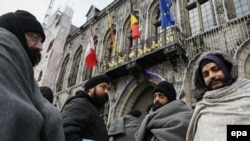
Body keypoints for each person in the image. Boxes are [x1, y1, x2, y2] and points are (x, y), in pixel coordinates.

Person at [0, 10, 64, 141]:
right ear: (16, 31)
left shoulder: (22, 68)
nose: (40, 47)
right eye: (34, 36)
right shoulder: (3, 50)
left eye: (41, 41)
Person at [186, 50, 250, 141]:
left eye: (215, 69)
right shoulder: (202, 107)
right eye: (206, 74)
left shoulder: (247, 90)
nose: (211, 76)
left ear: (225, 69)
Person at [61, 74, 111, 141]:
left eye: (108, 89)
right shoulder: (80, 104)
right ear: (90, 89)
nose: (106, 91)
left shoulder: (91, 107)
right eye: (103, 87)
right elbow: (66, 133)